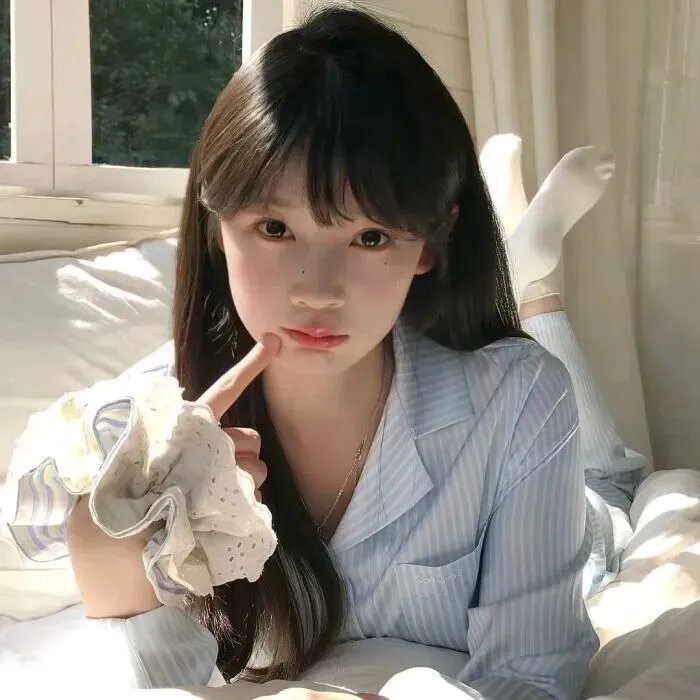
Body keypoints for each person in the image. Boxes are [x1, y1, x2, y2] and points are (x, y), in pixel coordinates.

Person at [65, 7, 598, 699]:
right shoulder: (140, 431)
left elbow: (535, 676)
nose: (317, 292)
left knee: (613, 480)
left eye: (370, 237)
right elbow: (153, 678)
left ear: (430, 243)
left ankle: (536, 283)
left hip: (579, 509)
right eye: (275, 227)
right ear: (216, 226)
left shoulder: (519, 397)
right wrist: (114, 533)